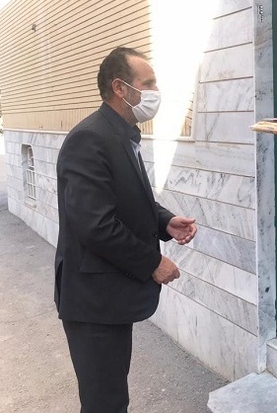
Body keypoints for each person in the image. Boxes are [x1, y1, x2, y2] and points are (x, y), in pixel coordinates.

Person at [54, 46, 197, 412]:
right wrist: (153, 263)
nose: (156, 92)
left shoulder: (121, 133)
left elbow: (125, 200)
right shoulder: (90, 138)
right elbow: (96, 225)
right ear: (120, 88)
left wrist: (164, 221)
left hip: (108, 297)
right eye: (148, 84)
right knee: (106, 403)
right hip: (93, 302)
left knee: (111, 398)